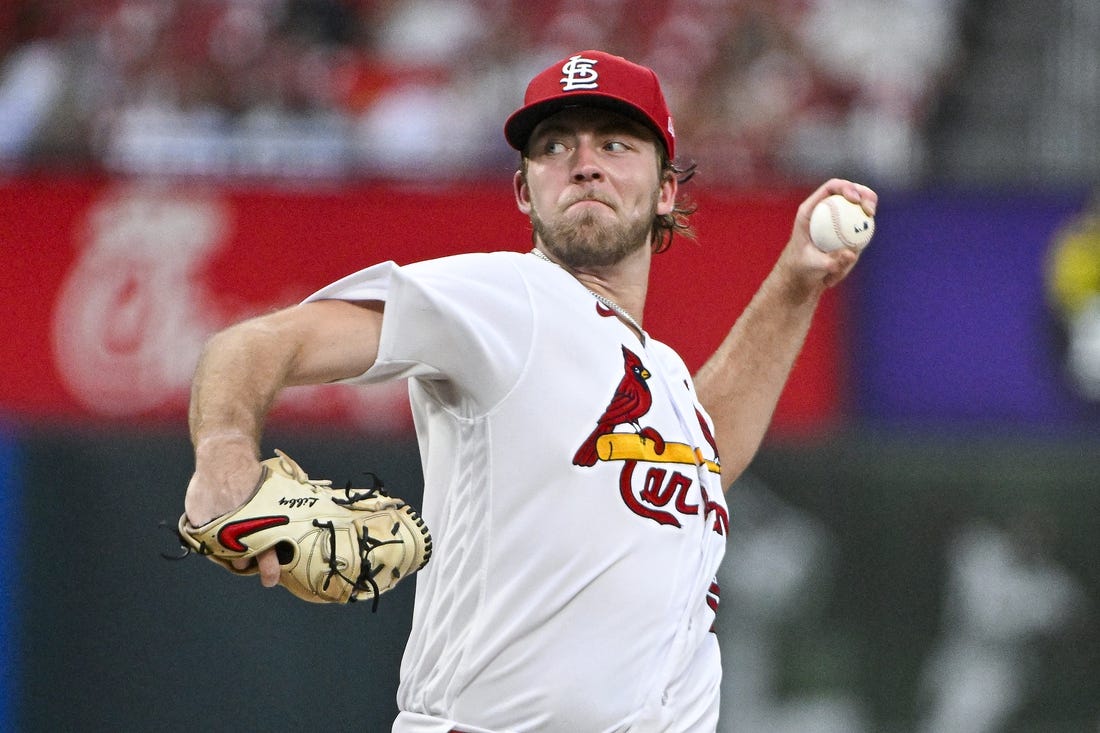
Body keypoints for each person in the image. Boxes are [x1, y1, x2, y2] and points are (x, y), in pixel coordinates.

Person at [184, 49, 876, 733]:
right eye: (553, 146)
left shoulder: (657, 370)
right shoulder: (506, 298)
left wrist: (795, 282)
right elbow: (259, 342)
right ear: (524, 190)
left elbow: (703, 457)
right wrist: (223, 449)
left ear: (667, 188)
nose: (584, 162)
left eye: (615, 141)